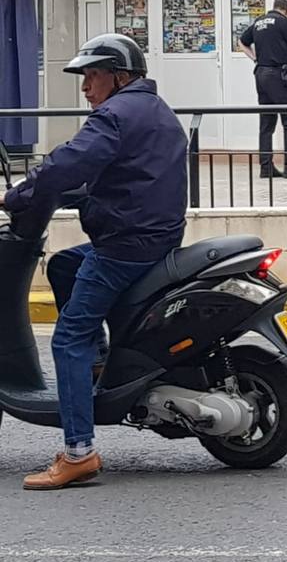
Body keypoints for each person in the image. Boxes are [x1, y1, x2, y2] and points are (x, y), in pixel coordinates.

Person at [0, 34, 187, 489]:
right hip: (155, 237)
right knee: (64, 265)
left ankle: (78, 451)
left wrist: (19, 195)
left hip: (123, 246)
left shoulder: (114, 115)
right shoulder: (157, 112)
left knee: (67, 339)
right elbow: (128, 176)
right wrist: (74, 195)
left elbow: (67, 163)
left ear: (119, 78)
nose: (86, 86)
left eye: (92, 75)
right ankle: (101, 363)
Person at [240, 0, 287, 178]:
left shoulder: (259, 21)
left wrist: (256, 58)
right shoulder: (282, 22)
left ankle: (266, 167)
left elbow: (242, 42)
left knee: (267, 122)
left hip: (261, 74)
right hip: (278, 75)